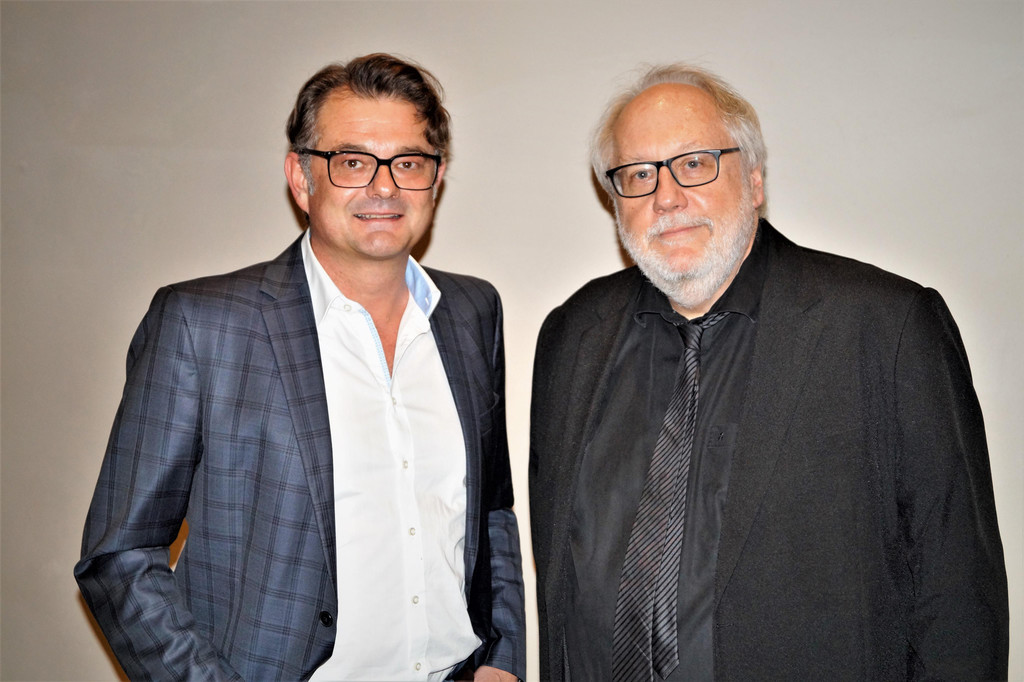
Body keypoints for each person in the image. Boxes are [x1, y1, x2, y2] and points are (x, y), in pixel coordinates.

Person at [529, 63, 1008, 681]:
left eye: (694, 163)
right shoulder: (572, 335)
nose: (666, 197)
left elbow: (958, 598)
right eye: (639, 174)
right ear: (615, 198)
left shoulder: (885, 327)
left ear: (753, 180)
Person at [75, 54, 525, 682]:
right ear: (301, 177)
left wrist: (502, 657)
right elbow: (120, 556)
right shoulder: (203, 325)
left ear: (436, 178)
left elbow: (491, 509)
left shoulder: (473, 312)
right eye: (352, 161)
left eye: (409, 162)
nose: (385, 187)